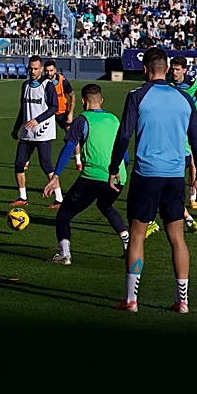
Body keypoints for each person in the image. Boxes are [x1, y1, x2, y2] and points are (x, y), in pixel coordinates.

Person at [108, 46, 197, 314]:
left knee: (138, 236)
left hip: (146, 175)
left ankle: (131, 299)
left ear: (145, 69)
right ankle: (183, 301)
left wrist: (113, 167)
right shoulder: (185, 99)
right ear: (166, 69)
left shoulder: (137, 96)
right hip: (175, 176)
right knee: (177, 238)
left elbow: (124, 135)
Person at [42, 84, 130, 265]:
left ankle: (65, 254)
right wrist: (121, 170)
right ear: (102, 100)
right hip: (119, 177)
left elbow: (68, 149)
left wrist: (56, 176)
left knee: (64, 214)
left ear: (83, 101)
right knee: (105, 206)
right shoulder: (114, 119)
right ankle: (128, 244)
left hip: (93, 178)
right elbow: (125, 153)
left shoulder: (82, 120)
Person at [10, 55, 62, 209]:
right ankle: (22, 196)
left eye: (35, 69)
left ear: (41, 69)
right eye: (30, 68)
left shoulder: (47, 85)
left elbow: (54, 107)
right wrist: (16, 127)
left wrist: (37, 120)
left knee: (46, 165)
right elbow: (23, 109)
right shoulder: (25, 85)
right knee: (19, 164)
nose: (32, 71)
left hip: (43, 132)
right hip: (27, 133)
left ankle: (59, 198)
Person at [168, 56, 197, 211]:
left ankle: (192, 197)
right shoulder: (167, 83)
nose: (174, 72)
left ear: (185, 70)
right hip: (172, 128)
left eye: (177, 69)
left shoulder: (194, 83)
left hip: (188, 127)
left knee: (192, 162)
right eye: (172, 69)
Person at [43, 60, 75, 133]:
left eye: (51, 70)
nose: (49, 73)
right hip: (46, 112)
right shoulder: (42, 81)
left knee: (71, 135)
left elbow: (72, 95)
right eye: (47, 71)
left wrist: (71, 113)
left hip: (61, 112)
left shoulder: (62, 80)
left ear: (55, 70)